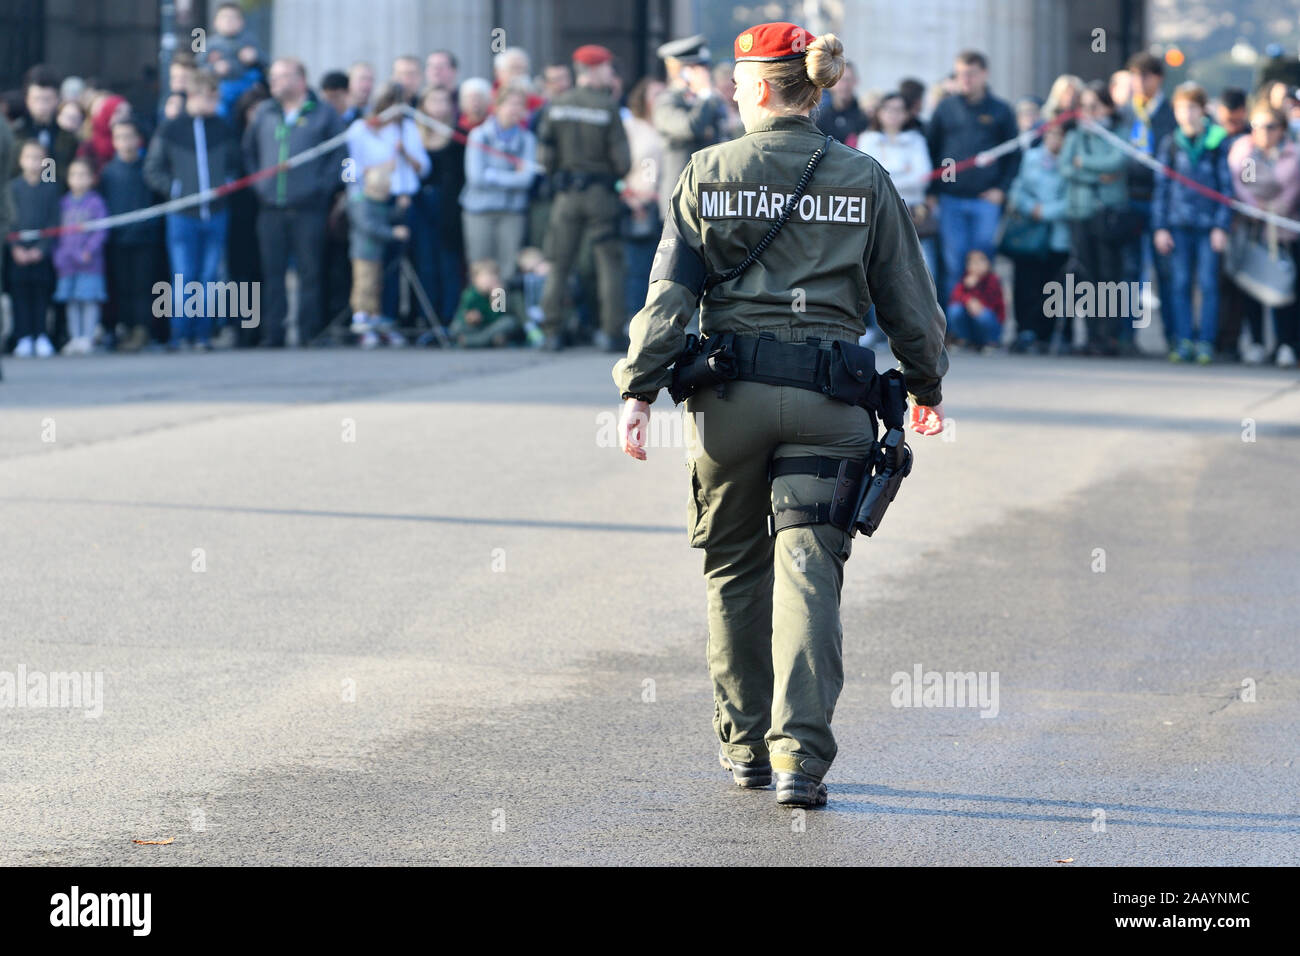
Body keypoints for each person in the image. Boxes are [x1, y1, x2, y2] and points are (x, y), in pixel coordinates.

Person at [613, 22, 948, 808]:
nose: (728, 90)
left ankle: (745, 751)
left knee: (733, 569)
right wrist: (927, 386)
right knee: (809, 576)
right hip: (831, 403)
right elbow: (910, 301)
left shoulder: (706, 169)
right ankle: (800, 759)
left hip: (730, 403)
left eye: (735, 79)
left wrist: (638, 388)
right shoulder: (863, 177)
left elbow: (669, 297)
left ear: (762, 86)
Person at [242, 57, 347, 347]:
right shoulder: (264, 112)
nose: (274, 82)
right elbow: (248, 151)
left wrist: (322, 188)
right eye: (273, 77)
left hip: (308, 207)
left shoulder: (323, 114)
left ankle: (308, 332)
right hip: (270, 207)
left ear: (300, 80)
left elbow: (340, 156)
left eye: (282, 76)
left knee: (309, 272)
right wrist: (260, 184)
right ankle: (273, 332)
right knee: (272, 272)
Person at [536, 44, 630, 352]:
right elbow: (624, 163)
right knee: (609, 264)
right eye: (606, 68)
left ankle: (552, 331)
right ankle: (610, 332)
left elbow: (545, 156)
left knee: (559, 263)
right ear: (592, 70)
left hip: (566, 196)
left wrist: (559, 174)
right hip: (601, 195)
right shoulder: (607, 107)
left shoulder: (557, 104)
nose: (610, 73)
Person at [145, 70, 241, 351]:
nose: (214, 104)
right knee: (183, 275)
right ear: (193, 95)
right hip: (182, 215)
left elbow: (236, 163)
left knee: (210, 275)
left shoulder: (223, 128)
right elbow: (153, 168)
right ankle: (180, 333)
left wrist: (227, 184)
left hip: (217, 212)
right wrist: (176, 190)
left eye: (216, 98)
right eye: (209, 98)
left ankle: (203, 334)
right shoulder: (171, 129)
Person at [925, 50, 1018, 299]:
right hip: (950, 199)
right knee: (954, 266)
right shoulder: (945, 108)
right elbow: (931, 151)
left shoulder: (1001, 110)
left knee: (982, 264)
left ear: (984, 74)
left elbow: (1013, 154)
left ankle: (981, 328)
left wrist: (1002, 189)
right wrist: (933, 191)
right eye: (960, 74)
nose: (965, 79)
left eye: (971, 74)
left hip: (985, 200)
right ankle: (953, 330)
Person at [1152, 82, 1232, 364]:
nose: (1186, 113)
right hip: (1178, 224)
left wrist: (1222, 226)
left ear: (1202, 110)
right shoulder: (1171, 143)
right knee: (1180, 283)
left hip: (1208, 226)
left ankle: (1206, 341)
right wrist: (1160, 227)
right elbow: (1161, 188)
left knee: (1208, 284)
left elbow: (1226, 188)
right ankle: (1183, 338)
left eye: (1191, 107)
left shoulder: (1217, 142)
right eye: (1181, 107)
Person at [1228, 102, 1300, 368]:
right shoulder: (1245, 152)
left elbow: (1288, 188)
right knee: (1253, 290)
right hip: (1253, 232)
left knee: (1283, 290)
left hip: (1284, 233)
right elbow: (1245, 184)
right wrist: (1255, 205)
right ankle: (1257, 342)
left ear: (1282, 129)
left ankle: (1286, 344)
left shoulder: (1292, 155)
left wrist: (1271, 205)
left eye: (1271, 127)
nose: (1264, 132)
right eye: (1257, 126)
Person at [1059, 81, 1128, 355]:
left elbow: (1117, 161)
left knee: (1109, 276)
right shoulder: (1076, 135)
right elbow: (1065, 167)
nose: (1088, 113)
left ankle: (1109, 335)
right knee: (1086, 276)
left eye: (1094, 107)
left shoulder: (1117, 132)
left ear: (1107, 108)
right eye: (1084, 107)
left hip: (1108, 214)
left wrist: (1083, 164)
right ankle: (1090, 336)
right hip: (1081, 214)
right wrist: (1096, 175)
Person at [1119, 52, 1176, 351]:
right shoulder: (1126, 112)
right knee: (1129, 271)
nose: (1140, 82)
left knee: (1165, 270)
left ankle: (1174, 336)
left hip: (1159, 201)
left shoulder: (1170, 113)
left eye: (1146, 76)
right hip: (1130, 197)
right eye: (1135, 75)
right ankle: (1127, 337)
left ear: (1158, 79)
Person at [460, 86, 536, 286]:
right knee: (480, 267)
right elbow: (476, 177)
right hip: (479, 212)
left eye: (520, 105)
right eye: (510, 104)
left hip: (511, 212)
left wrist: (493, 175)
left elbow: (527, 179)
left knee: (507, 268)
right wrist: (512, 176)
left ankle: (501, 310)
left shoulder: (526, 139)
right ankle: (482, 313)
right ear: (498, 106)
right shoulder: (479, 135)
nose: (514, 110)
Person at [1004, 123, 1069, 352]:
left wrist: (1046, 212)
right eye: (1051, 134)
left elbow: (1073, 196)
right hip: (1029, 231)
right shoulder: (1031, 157)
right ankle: (1024, 330)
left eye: (1059, 135)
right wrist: (1032, 208)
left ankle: (1046, 334)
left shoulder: (1071, 162)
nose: (1054, 140)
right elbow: (1018, 188)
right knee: (1024, 282)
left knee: (1051, 285)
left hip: (1057, 233)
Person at [859, 91, 936, 281]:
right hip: (880, 213)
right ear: (879, 112)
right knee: (880, 274)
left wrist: (888, 175)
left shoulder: (916, 140)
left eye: (899, 110)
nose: (893, 114)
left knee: (925, 274)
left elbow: (923, 176)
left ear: (906, 114)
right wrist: (905, 169)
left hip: (914, 215)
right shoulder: (868, 140)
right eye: (889, 109)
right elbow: (867, 178)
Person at [99, 118, 162, 351]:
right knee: (122, 286)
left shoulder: (147, 169)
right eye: (119, 137)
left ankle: (143, 329)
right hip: (118, 240)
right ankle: (125, 328)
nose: (125, 142)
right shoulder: (108, 172)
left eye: (129, 136)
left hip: (145, 239)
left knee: (143, 286)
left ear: (139, 139)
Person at [652, 34, 725, 219]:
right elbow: (691, 127)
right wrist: (705, 94)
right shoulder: (667, 101)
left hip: (709, 192)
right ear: (682, 71)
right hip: (680, 194)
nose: (704, 74)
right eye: (696, 68)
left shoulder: (708, 100)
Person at [413, 85, 466, 325]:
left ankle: (449, 315)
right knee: (425, 264)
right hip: (420, 206)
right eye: (433, 101)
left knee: (449, 263)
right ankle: (427, 317)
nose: (439, 107)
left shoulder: (458, 135)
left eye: (444, 101)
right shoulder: (412, 134)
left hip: (449, 207)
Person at [7, 140, 61, 357]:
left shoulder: (50, 188)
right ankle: (23, 336)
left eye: (38, 158)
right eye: (29, 157)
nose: (33, 162)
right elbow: (8, 221)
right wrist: (15, 248)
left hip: (41, 253)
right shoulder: (12, 188)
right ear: (21, 160)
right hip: (18, 253)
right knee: (20, 296)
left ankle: (41, 334)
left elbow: (53, 221)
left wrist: (41, 249)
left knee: (41, 295)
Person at [347, 164, 410, 348]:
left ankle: (374, 318)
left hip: (376, 253)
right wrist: (393, 233)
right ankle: (360, 318)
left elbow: (387, 217)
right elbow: (369, 227)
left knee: (376, 286)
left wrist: (400, 208)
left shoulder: (377, 202)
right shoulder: (360, 202)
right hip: (363, 253)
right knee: (363, 285)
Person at [51, 157, 108, 354]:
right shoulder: (63, 203)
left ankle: (88, 337)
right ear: (68, 179)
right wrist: (58, 254)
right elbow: (55, 233)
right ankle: (75, 337)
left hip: (89, 262)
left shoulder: (96, 202)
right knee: (71, 301)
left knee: (89, 300)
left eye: (83, 175)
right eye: (74, 175)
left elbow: (101, 231)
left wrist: (89, 250)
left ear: (92, 178)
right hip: (67, 263)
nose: (79, 179)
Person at [622, 77, 666, 324]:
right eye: (655, 95)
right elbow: (621, 164)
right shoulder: (631, 126)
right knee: (639, 266)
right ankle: (634, 320)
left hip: (664, 203)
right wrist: (628, 195)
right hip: (639, 203)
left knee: (663, 267)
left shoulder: (667, 125)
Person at [10, 66, 78, 182]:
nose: (41, 106)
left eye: (47, 99)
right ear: (27, 99)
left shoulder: (68, 137)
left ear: (57, 99)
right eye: (36, 99)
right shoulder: (15, 134)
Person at [450, 259, 522, 347]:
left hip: (490, 327)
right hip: (475, 327)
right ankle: (489, 340)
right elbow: (462, 316)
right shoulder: (470, 294)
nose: (491, 280)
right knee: (456, 327)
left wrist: (495, 299)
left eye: (494, 276)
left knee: (509, 322)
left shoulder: (498, 293)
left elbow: (497, 318)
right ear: (475, 279)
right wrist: (470, 318)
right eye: (486, 277)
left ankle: (473, 341)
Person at [946, 248, 1005, 350]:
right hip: (971, 320)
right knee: (954, 310)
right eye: (972, 262)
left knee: (982, 315)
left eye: (981, 261)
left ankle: (990, 342)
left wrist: (976, 288)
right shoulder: (965, 280)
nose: (977, 265)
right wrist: (968, 299)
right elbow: (954, 297)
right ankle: (964, 340)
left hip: (990, 321)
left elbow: (993, 302)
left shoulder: (993, 280)